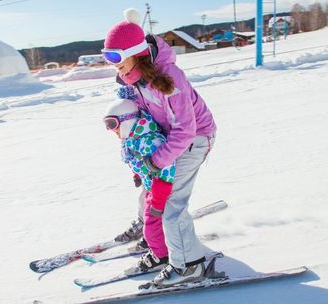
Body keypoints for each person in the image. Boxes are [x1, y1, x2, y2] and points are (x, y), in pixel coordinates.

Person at [103, 9, 217, 287]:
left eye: (118, 58)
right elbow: (142, 121)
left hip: (194, 139)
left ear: (136, 52)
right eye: (110, 59)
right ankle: (157, 243)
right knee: (150, 192)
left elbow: (185, 130)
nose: (115, 66)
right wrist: (143, 163)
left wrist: (157, 161)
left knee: (171, 206)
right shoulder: (133, 80)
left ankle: (189, 267)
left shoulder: (169, 77)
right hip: (168, 139)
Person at [104, 95, 176, 272]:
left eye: (115, 127)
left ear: (128, 121)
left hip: (161, 189)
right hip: (151, 185)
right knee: (142, 204)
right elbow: (134, 159)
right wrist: (137, 174)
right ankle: (152, 238)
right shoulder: (132, 138)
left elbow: (167, 169)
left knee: (152, 223)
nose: (115, 133)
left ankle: (160, 255)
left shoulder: (150, 140)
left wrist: (159, 197)